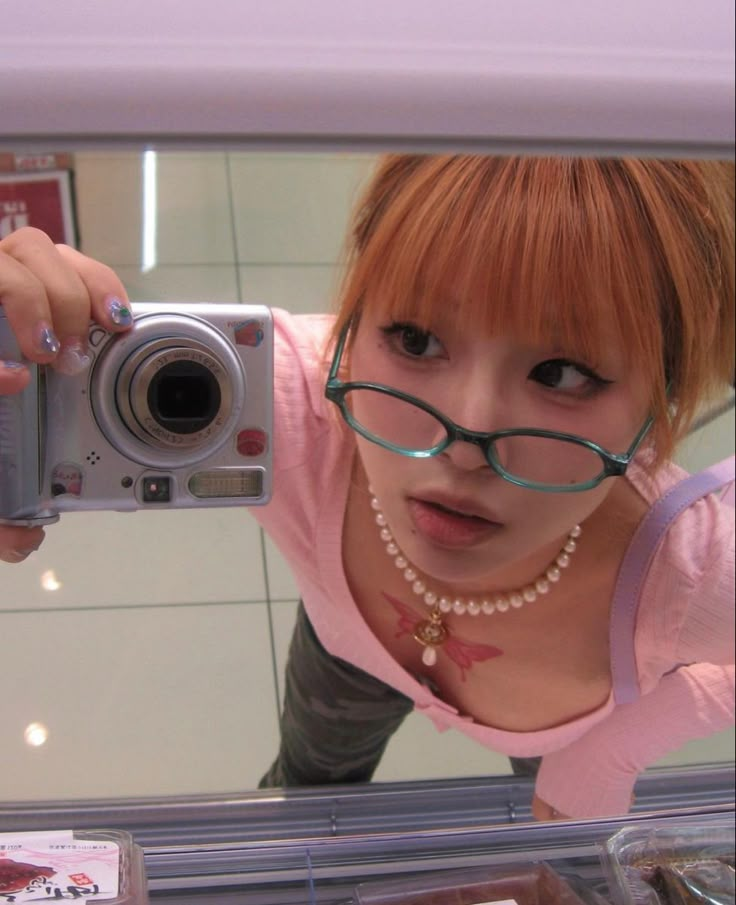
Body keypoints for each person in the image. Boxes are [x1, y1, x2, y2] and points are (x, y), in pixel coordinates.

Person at [0, 155, 733, 821]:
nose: (464, 434)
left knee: (540, 828)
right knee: (310, 783)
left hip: (566, 716)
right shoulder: (292, 406)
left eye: (562, 372)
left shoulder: (690, 571)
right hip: (345, 648)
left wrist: (613, 746)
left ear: (661, 401)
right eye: (414, 339)